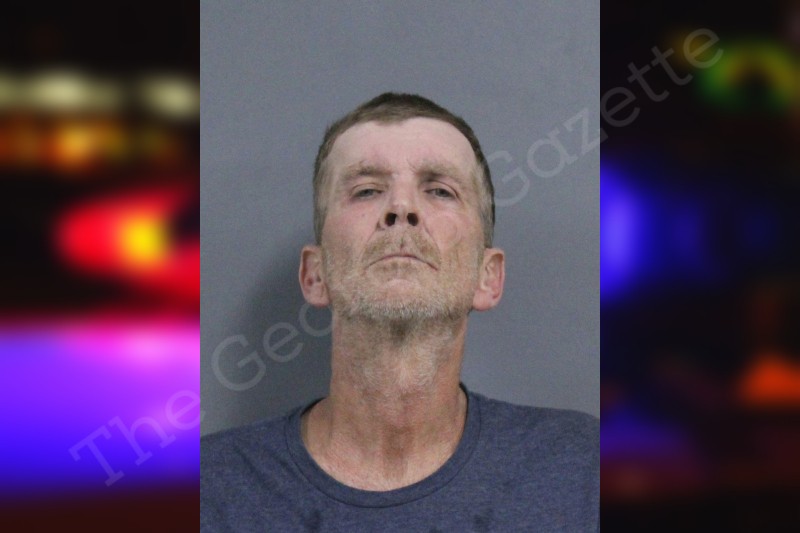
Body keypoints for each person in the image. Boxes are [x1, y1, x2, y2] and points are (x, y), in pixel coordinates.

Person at [201, 93, 599, 531]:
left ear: (488, 277)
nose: (401, 208)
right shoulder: (208, 489)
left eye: (440, 190)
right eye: (367, 190)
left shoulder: (584, 471)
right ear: (315, 274)